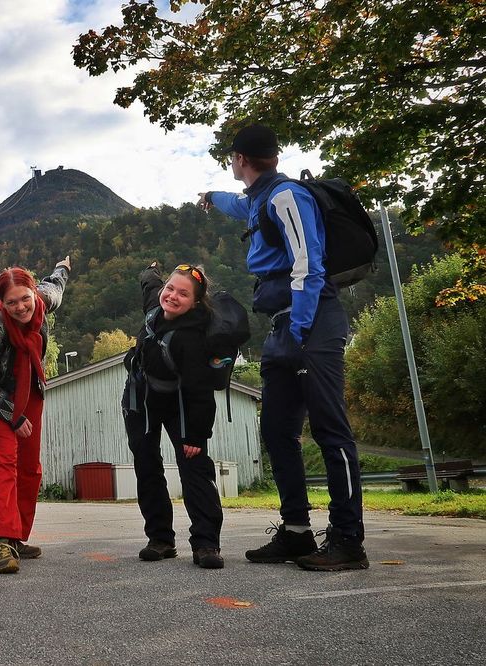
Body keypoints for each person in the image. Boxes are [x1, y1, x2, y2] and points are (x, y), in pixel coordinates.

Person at [198, 123, 368, 571]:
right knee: (276, 431)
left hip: (310, 322)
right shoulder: (259, 199)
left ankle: (349, 540)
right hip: (281, 326)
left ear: (240, 159)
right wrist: (210, 196)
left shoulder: (286, 197)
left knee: (331, 431)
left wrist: (300, 328)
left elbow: (308, 264)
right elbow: (237, 205)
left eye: (232, 158)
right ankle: (296, 532)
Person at [0, 258, 71, 574]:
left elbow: (56, 285)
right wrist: (12, 416)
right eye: (11, 302)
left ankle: (17, 537)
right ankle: (1, 542)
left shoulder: (43, 300)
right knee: (6, 459)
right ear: (1, 302)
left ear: (33, 293)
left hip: (31, 389)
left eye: (25, 298)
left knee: (30, 467)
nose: (20, 307)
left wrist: (63, 268)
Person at [122, 262, 225, 569]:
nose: (172, 296)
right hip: (143, 400)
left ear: (195, 303)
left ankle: (206, 543)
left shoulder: (192, 336)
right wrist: (150, 270)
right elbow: (149, 284)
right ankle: (161, 539)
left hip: (181, 404)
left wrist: (196, 434)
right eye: (170, 288)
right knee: (146, 465)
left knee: (194, 467)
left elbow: (200, 389)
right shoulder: (156, 307)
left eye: (183, 294)